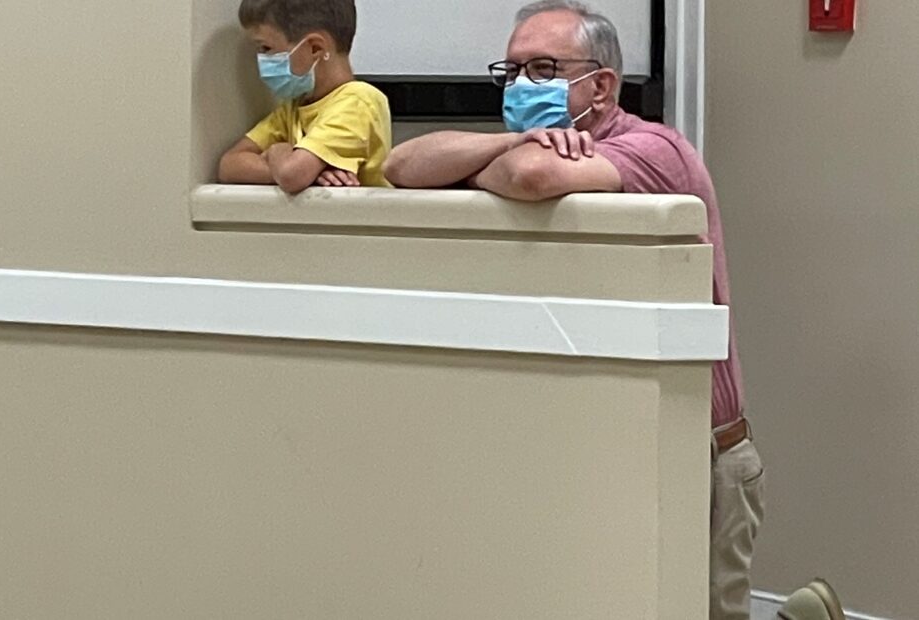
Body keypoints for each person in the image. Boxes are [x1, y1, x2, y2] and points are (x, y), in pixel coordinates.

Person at [383, 2, 765, 618]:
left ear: (602, 85)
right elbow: (400, 166)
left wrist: (488, 166)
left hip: (703, 451)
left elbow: (532, 178)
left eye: (542, 69)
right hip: (611, 445)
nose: (519, 85)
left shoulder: (654, 147)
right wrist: (513, 139)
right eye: (510, 71)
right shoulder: (533, 142)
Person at [218, 0, 392, 193]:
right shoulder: (294, 107)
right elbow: (229, 165)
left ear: (315, 48)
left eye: (266, 48)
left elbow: (292, 175)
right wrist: (304, 174)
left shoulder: (358, 102)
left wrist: (277, 150)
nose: (261, 59)